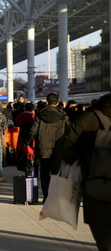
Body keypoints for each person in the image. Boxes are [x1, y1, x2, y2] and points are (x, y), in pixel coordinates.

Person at [55, 93, 111, 251]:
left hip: (97, 186)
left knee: (104, 238)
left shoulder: (88, 119)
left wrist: (84, 158)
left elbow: (63, 148)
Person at [25, 93, 69, 202]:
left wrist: (26, 143)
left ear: (47, 102)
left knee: (44, 174)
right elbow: (71, 132)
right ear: (57, 103)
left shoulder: (39, 115)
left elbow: (32, 132)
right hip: (58, 151)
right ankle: (55, 197)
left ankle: (46, 197)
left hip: (43, 149)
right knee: (56, 174)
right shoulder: (63, 116)